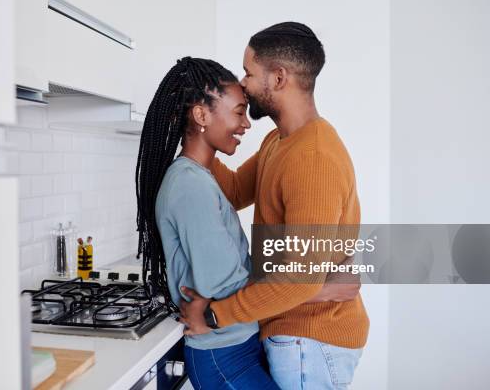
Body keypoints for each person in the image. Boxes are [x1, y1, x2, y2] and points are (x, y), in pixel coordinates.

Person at [179, 22, 370, 390]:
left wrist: (216, 316)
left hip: (311, 341)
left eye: (249, 73)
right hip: (296, 334)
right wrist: (198, 134)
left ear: (279, 78)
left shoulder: (312, 157)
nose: (244, 83)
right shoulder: (278, 141)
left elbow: (298, 280)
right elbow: (234, 191)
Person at [135, 56, 280, 389]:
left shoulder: (197, 177)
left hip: (233, 344)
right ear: (201, 115)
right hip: (223, 353)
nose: (245, 124)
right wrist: (294, 285)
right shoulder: (190, 184)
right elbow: (221, 279)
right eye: (238, 111)